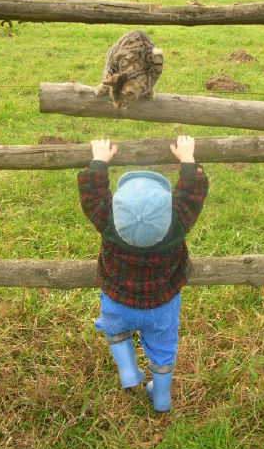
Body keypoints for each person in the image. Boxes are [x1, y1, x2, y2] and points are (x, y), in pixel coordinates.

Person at [78, 136, 208, 412]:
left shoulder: (108, 220)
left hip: (117, 301)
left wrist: (99, 161)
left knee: (113, 328)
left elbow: (92, 196)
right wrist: (187, 159)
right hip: (161, 305)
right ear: (167, 206)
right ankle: (161, 398)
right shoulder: (177, 221)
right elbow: (192, 195)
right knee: (163, 348)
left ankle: (128, 371)